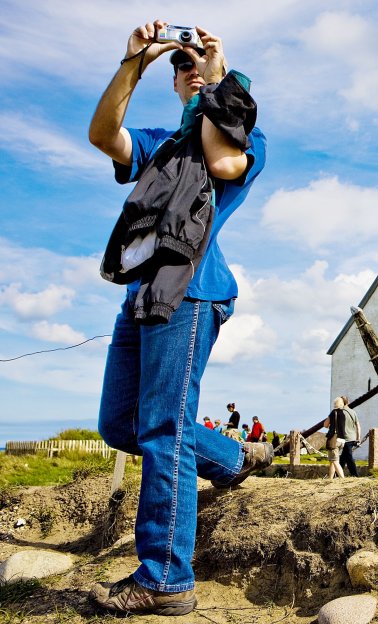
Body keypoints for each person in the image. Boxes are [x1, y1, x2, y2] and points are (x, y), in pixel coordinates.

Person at [89, 20, 270, 616]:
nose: (188, 67)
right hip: (143, 293)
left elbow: (220, 162)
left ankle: (165, 578)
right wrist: (133, 62)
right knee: (121, 425)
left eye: (199, 60)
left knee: (163, 427)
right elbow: (102, 135)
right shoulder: (159, 144)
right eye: (181, 64)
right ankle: (231, 458)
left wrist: (218, 82)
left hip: (192, 292)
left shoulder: (246, 136)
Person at [338, 396, 361, 477]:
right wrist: (358, 438)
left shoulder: (339, 413)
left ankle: (355, 475)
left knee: (349, 458)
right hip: (352, 438)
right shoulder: (353, 412)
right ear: (348, 402)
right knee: (343, 457)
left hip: (343, 438)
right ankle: (338, 475)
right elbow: (358, 426)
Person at [325, 398, 347, 479]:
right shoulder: (344, 414)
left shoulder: (333, 413)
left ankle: (343, 479)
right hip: (342, 440)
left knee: (335, 461)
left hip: (334, 440)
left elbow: (325, 425)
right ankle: (330, 478)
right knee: (332, 461)